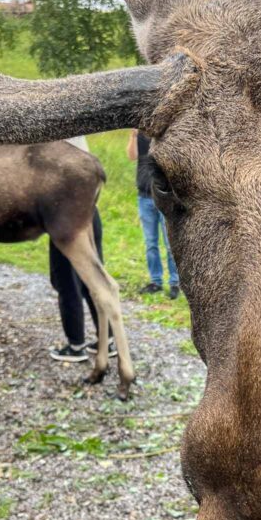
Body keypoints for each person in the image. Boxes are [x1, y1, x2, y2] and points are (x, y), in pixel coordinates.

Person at [49, 136, 116, 362]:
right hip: (90, 212)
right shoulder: (79, 143)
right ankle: (107, 339)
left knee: (66, 281)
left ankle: (75, 344)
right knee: (93, 279)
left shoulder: (60, 142)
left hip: (66, 216)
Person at [127, 128, 179, 299]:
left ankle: (174, 282)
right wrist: (133, 135)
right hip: (144, 197)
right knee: (151, 243)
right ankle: (155, 281)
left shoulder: (164, 136)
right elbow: (132, 156)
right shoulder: (140, 136)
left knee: (170, 244)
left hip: (164, 198)